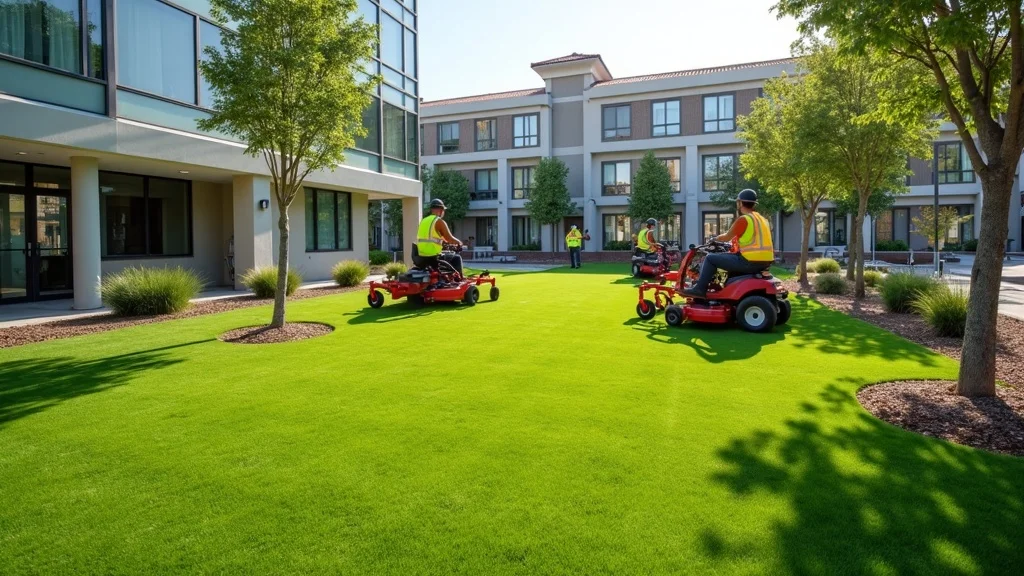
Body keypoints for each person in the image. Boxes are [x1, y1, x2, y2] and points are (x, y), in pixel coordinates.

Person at [682, 189, 775, 298]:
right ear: (754, 204)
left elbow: (726, 237)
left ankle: (699, 289)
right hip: (765, 262)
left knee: (710, 258)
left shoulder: (744, 219)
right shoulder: (763, 220)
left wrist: (715, 238)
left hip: (749, 262)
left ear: (739, 203)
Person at [416, 199, 464, 277]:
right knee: (456, 258)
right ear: (441, 210)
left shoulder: (423, 221)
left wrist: (444, 243)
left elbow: (434, 237)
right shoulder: (438, 221)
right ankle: (459, 279)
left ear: (431, 209)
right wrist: (459, 243)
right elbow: (450, 238)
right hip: (433, 256)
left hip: (421, 256)